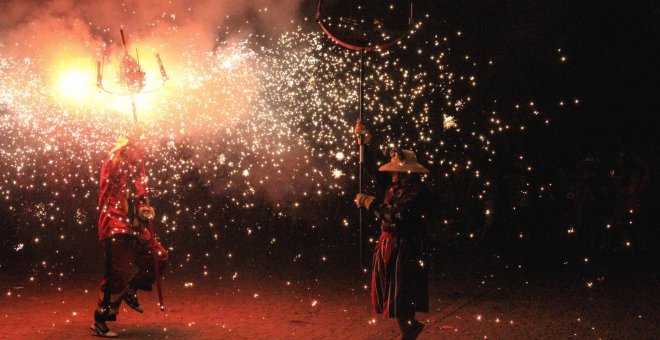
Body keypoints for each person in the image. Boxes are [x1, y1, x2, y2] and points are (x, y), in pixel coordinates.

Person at [354, 122, 432, 340]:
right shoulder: (396, 184)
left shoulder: (416, 191)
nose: (393, 174)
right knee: (394, 293)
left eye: (397, 170)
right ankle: (409, 328)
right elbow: (372, 170)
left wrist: (370, 202)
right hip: (390, 244)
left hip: (406, 246)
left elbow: (398, 215)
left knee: (402, 293)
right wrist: (364, 144)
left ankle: (409, 331)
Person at [92, 126, 168, 338]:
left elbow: (140, 196)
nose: (141, 150)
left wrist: (145, 208)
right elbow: (116, 174)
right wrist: (129, 141)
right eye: (137, 146)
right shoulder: (112, 162)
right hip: (115, 224)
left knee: (158, 257)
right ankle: (100, 319)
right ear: (127, 147)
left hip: (135, 226)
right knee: (116, 274)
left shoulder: (138, 168)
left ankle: (132, 289)